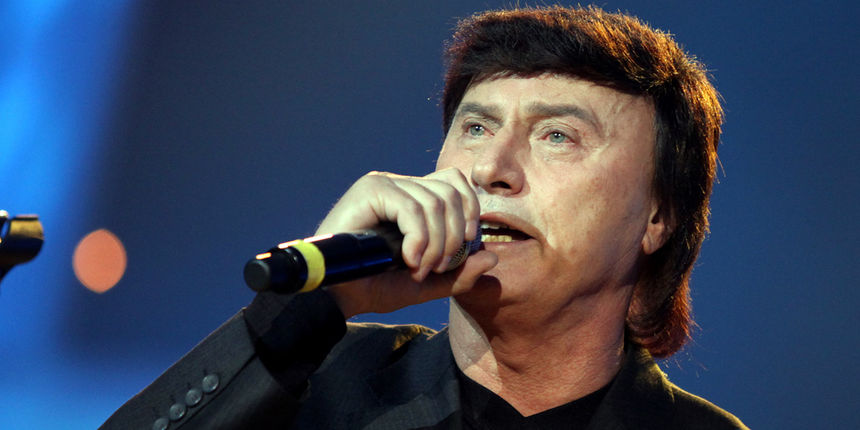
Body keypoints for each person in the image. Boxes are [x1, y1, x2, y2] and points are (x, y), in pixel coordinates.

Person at [102, 5, 747, 429]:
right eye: (476, 127)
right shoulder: (306, 390)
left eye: (557, 136)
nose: (491, 168)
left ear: (658, 216)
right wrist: (306, 312)